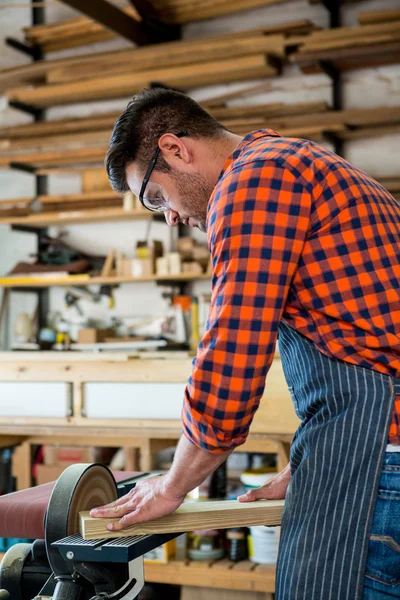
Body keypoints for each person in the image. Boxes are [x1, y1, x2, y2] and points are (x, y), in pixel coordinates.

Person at [90, 88, 400, 600]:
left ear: (174, 149)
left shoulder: (253, 181)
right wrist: (308, 462)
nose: (167, 217)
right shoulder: (302, 162)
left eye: (155, 197)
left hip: (380, 463)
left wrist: (173, 485)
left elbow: (232, 353)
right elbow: (363, 338)